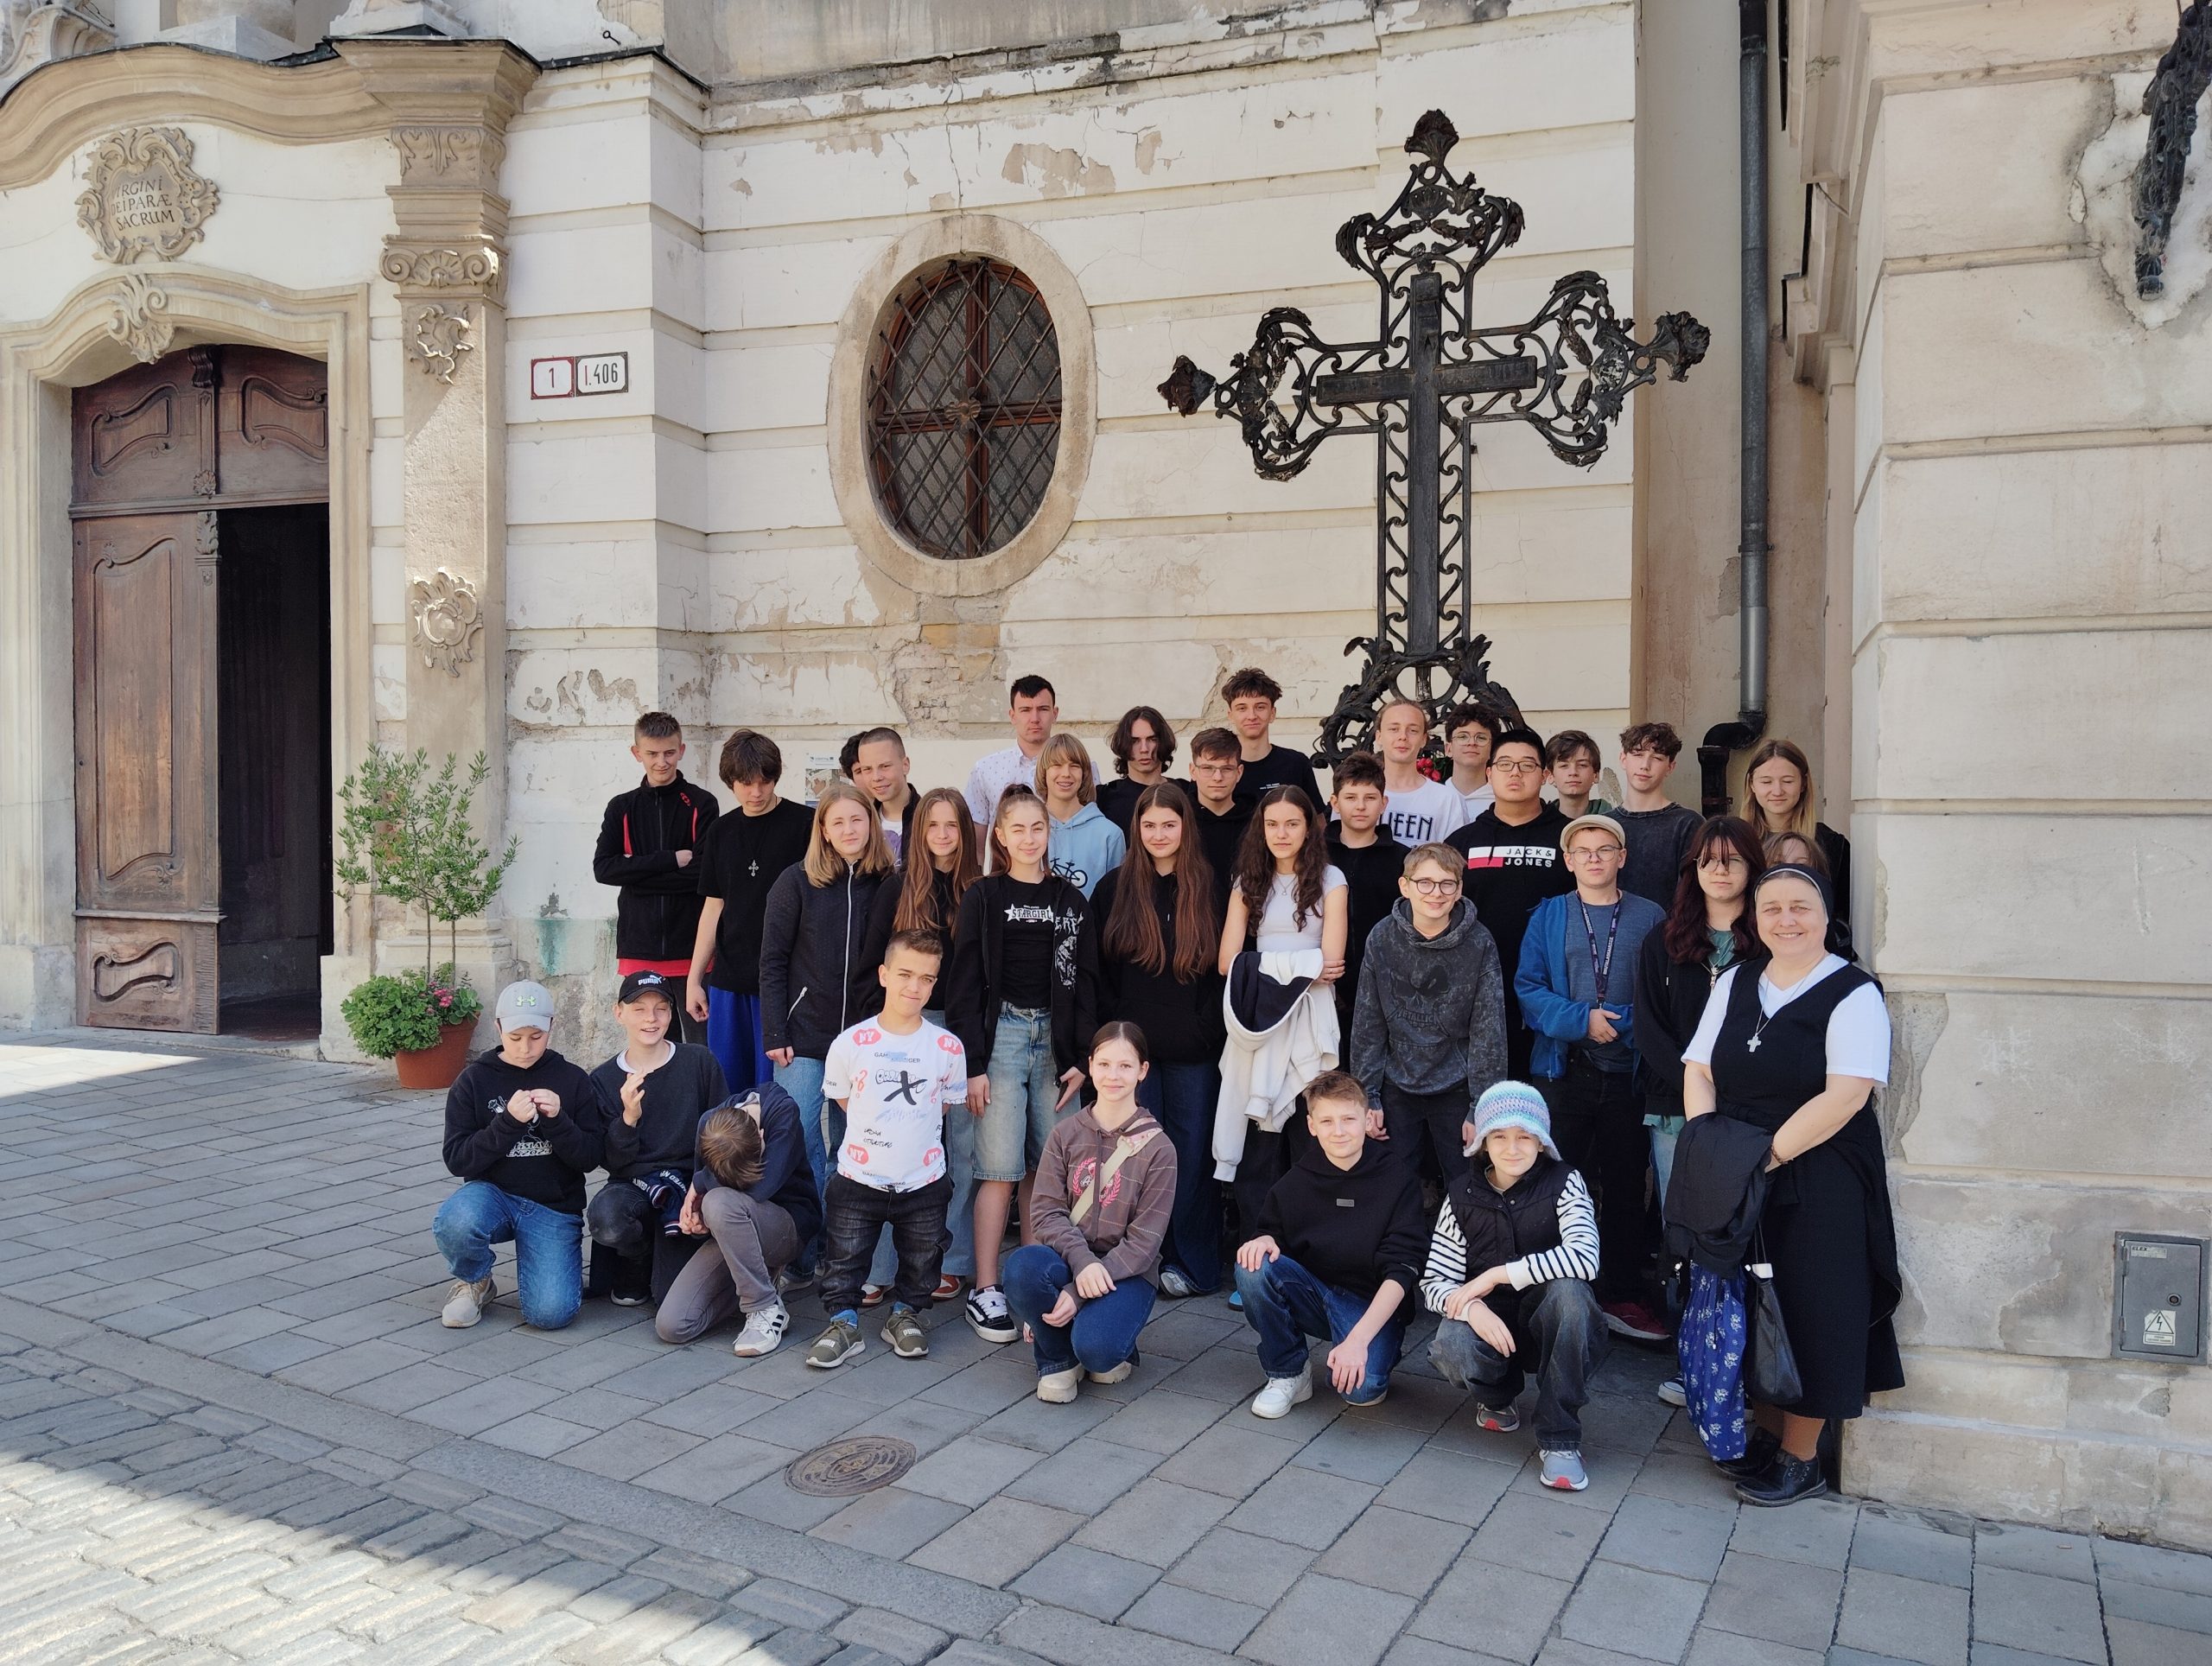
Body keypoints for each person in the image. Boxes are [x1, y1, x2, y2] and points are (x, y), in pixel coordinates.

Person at [1682, 863, 1899, 1505]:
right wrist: (1711, 1148)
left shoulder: (1855, 992)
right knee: (1752, 1303)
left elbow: (1847, 1096)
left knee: (1812, 1307)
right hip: (1741, 1165)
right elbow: (1698, 1068)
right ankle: (1768, 1432)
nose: (1785, 920)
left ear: (1826, 915)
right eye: (1771, 907)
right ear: (1755, 918)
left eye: (1800, 906)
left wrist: (1760, 1159)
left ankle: (1802, 1458)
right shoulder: (1736, 980)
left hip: (1819, 1171)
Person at [945, 785, 1099, 1344]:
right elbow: (964, 981)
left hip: (1056, 1044)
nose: (1030, 838)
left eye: (1038, 828)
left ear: (1048, 833)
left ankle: (1034, 1281)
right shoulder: (984, 896)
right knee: (998, 1169)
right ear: (1002, 837)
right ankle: (987, 1287)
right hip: (1003, 1039)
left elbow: (1087, 980)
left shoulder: (1069, 900)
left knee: (1047, 1170)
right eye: (1019, 829)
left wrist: (1082, 1058)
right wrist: (974, 1064)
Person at [1516, 814, 1670, 1344]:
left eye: (1605, 850)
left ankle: (1621, 1293)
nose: (1594, 859)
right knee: (1557, 1182)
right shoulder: (1549, 915)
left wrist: (1619, 1024)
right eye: (1583, 852)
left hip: (1629, 1074)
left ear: (1621, 857)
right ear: (1569, 860)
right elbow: (1528, 988)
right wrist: (1581, 1020)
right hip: (1564, 1071)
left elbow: (1663, 991)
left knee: (1627, 1186)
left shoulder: (1650, 916)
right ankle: (1556, 1291)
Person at [1634, 816, 1764, 1407]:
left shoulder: (1770, 940)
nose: (1719, 870)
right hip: (1675, 1115)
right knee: (1687, 1235)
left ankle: (1748, 1363)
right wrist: (1696, 1092)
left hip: (1749, 1117)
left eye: (1732, 860)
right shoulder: (1662, 941)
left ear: (1752, 868)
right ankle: (1694, 1364)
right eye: (1708, 860)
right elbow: (1650, 1030)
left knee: (1746, 1236)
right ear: (1692, 869)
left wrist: (1729, 1096)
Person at [1422, 1081, 1606, 1492]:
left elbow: (1585, 1257)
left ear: (1541, 1142)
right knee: (1451, 1344)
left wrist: (1495, 1274)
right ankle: (1498, 1395)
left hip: (1551, 1324)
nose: (1512, 1148)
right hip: (1492, 1320)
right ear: (1483, 1144)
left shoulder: (1565, 1181)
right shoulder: (1462, 1194)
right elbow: (1435, 1281)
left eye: (1525, 1136)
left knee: (1571, 1294)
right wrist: (1472, 1308)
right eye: (1499, 1136)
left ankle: (1560, 1437)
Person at [803, 931, 970, 1369]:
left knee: (923, 1256)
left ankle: (906, 1314)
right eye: (905, 975)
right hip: (859, 1177)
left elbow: (943, 1105)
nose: (915, 987)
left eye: (927, 979)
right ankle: (843, 1322)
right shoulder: (851, 1044)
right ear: (883, 975)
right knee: (844, 1256)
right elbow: (846, 1101)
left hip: (924, 1180)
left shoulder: (947, 1047)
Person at [757, 781, 898, 1269]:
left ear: (871, 824)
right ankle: (806, 1242)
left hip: (866, 1038)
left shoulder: (888, 883)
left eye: (857, 819)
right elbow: (772, 960)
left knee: (852, 1142)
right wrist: (775, 1031)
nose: (849, 829)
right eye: (837, 821)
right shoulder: (795, 882)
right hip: (803, 1035)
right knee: (796, 1133)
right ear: (823, 829)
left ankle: (842, 1247)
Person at [1233, 1071, 1427, 1416]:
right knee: (1253, 1264)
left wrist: (1358, 1341)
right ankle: (1289, 1372)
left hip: (1370, 1304)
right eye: (1327, 1121)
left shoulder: (1397, 1179)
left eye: (1349, 1119)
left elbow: (1403, 1269)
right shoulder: (1298, 1179)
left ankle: (1368, 1348)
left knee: (1362, 1392)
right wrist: (1264, 1239)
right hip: (1316, 1294)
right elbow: (1271, 1230)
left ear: (1368, 1119)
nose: (1339, 1131)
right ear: (1311, 1126)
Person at [1094, 783, 1224, 1298]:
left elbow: (1226, 971)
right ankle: (1138, 1257)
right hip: (1133, 1054)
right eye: (1149, 826)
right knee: (1136, 1155)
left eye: (1169, 824)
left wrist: (1206, 1030)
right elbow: (1099, 971)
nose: (1159, 834)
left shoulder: (1211, 886)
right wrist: (1113, 1036)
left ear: (1185, 827)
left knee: (1190, 1157)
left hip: (1195, 1051)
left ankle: (1192, 1262)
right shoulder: (1115, 889)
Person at [1003, 1022, 1179, 1401]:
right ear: (1090, 1066)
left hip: (1127, 1271)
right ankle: (1058, 1359)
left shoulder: (1160, 1148)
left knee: (1098, 1350)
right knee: (1021, 1268)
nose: (1113, 1075)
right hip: (1070, 1258)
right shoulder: (1065, 1134)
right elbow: (1046, 1213)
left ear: (1143, 1071)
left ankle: (1102, 1341)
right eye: (1104, 1064)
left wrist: (1076, 1293)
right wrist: (1082, 1265)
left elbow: (1145, 1242)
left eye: (1125, 1066)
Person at [861, 787, 983, 1300]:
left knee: (961, 1149)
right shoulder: (897, 888)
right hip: (907, 1026)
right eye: (932, 825)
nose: (942, 835)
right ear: (918, 832)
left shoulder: (980, 889)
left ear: (966, 831)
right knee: (897, 1143)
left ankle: (951, 1260)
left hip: (963, 1029)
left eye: (952, 825)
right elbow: (872, 963)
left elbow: (985, 972)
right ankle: (880, 1266)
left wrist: (976, 1046)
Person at [1217, 786, 1349, 1246]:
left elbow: (1331, 964)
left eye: (1292, 823)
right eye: (1272, 824)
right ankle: (1255, 1251)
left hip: (1310, 1020)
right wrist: (1302, 969)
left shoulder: (1331, 879)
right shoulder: (1247, 881)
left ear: (1309, 828)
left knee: (1307, 1137)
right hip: (1258, 1019)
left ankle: (1309, 1253)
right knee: (1259, 1143)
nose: (1282, 833)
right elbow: (1227, 961)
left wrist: (1274, 968)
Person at [434, 982, 604, 1331]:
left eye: (536, 1036)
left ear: (552, 1026)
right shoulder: (473, 1080)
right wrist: (508, 1123)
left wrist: (559, 1121)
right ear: (498, 1028)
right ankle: (475, 1280)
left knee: (551, 1314)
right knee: (456, 1220)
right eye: (515, 1037)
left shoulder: (573, 1079)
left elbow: (590, 1158)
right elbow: (458, 1159)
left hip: (554, 1206)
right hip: (493, 1196)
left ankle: (542, 1267)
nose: (526, 1048)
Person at [1349, 842, 1509, 1185]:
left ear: (1459, 889)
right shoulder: (1382, 938)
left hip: (1457, 1085)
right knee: (1393, 1182)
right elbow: (1368, 1023)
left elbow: (1489, 1031)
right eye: (1424, 882)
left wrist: (1481, 1106)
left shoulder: (1479, 942)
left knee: (1465, 1182)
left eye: (1446, 883)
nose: (1436, 893)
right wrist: (1368, 1096)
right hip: (1396, 1083)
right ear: (1405, 886)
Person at [586, 970, 729, 1308]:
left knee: (671, 1302)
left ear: (671, 1013)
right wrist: (628, 1119)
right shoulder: (603, 1079)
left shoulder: (699, 1061)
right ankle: (637, 1258)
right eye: (639, 1009)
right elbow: (611, 1161)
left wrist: (703, 1189)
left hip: (687, 1184)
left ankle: (673, 1258)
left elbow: (722, 1136)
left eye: (661, 1009)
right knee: (607, 1218)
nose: (651, 1018)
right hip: (632, 1183)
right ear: (619, 1013)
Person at [686, 729, 812, 1097]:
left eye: (764, 782)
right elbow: (714, 906)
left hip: (786, 982)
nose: (756, 792)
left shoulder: (806, 824)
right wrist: (695, 979)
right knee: (729, 1093)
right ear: (730, 781)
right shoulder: (720, 831)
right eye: (745, 783)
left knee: (778, 1096)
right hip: (729, 983)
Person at [656, 1081, 822, 1356]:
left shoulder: (782, 1114)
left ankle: (765, 1307)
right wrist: (698, 1222)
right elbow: (709, 1205)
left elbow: (762, 1188)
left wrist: (703, 1181)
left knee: (718, 1202)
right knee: (673, 1325)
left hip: (786, 1225)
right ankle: (757, 1278)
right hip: (734, 1227)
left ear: (761, 1135)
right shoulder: (709, 1125)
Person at [1448, 727, 1574, 1081]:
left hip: (1554, 988)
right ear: (1489, 773)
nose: (1515, 773)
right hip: (1480, 987)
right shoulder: (1462, 842)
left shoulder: (1570, 838)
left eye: (1526, 765)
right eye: (1505, 764)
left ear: (1545, 775)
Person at [594, 713, 719, 1043]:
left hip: (693, 951)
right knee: (652, 1043)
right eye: (652, 753)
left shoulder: (702, 803)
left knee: (701, 1047)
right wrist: (669, 860)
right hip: (639, 947)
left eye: (669, 753)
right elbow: (604, 869)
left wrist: (635, 874)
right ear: (637, 753)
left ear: (681, 750)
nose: (661, 762)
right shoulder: (621, 807)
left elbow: (703, 875)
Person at [1325, 750, 1405, 1039]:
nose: (1360, 806)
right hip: (1323, 986)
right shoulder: (1314, 856)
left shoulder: (1403, 860)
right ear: (1335, 802)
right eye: (1350, 797)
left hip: (1386, 990)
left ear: (1383, 803)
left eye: (1370, 798)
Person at [1741, 738, 1851, 925]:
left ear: (1803, 783)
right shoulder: (1738, 842)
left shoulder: (1831, 845)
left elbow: (1841, 915)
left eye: (1787, 781)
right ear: (1752, 784)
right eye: (1766, 781)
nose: (1777, 791)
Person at [965, 675, 1058, 855]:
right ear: (1012, 716)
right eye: (1025, 710)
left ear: (1055, 714)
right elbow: (975, 846)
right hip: (1004, 871)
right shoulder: (985, 770)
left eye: (1043, 709)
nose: (1035, 718)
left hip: (1064, 871)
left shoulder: (1077, 768)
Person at [1614, 722, 1703, 908]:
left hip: (1671, 925)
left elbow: (1693, 895)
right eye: (1638, 754)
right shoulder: (1606, 824)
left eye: (1657, 758)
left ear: (1670, 767)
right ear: (1623, 759)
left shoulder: (1687, 824)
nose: (1645, 765)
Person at [1037, 732, 1126, 898]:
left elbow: (1116, 899)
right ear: (1043, 772)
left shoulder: (1109, 834)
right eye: (1057, 765)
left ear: (1084, 773)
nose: (1066, 773)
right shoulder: (1029, 829)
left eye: (1074, 766)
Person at [1220, 666, 1322, 808]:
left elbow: (1317, 819)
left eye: (1260, 707)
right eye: (1242, 708)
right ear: (1231, 715)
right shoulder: (1217, 770)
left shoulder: (1296, 764)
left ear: (1272, 713)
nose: (1252, 716)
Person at [1372, 699, 1468, 844]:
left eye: (1413, 730)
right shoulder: (1358, 796)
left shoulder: (1447, 800)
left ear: (1423, 739)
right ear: (1379, 737)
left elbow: (1454, 855)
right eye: (1394, 729)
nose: (1403, 736)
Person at [1186, 726, 1254, 909]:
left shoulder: (1257, 822)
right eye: (1208, 768)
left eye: (1227, 768)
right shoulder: (1180, 820)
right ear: (1193, 771)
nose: (1217, 777)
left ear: (1239, 772)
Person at [1096, 705, 1180, 835]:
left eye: (1152, 739)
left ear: (1162, 742)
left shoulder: (1186, 792)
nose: (1144, 749)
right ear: (1124, 744)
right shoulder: (1104, 797)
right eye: (1135, 741)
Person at [850, 727, 919, 861]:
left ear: (905, 765)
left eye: (885, 766)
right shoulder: (860, 823)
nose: (876, 777)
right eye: (867, 769)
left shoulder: (930, 818)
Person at [1443, 703, 1500, 822]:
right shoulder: (1433, 797)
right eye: (1463, 737)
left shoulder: (1501, 802)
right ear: (1448, 749)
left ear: (1492, 750)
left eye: (1481, 738)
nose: (1472, 743)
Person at [1544, 729, 1612, 820]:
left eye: (1582, 765)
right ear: (1550, 775)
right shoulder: (1540, 823)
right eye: (1564, 766)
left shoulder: (1613, 821)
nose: (1573, 772)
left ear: (1596, 775)